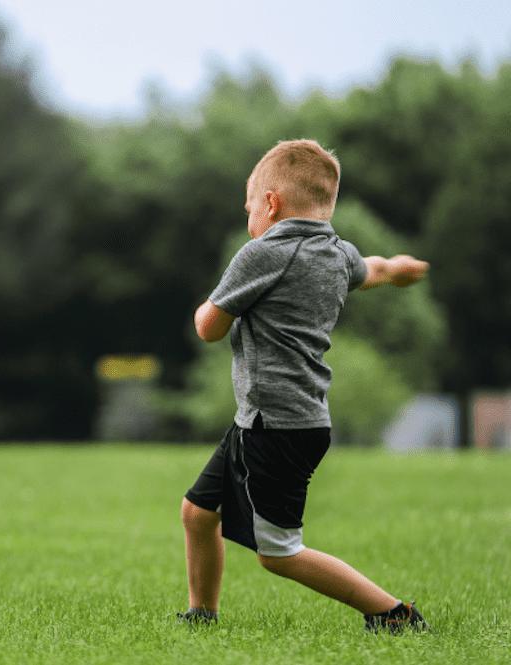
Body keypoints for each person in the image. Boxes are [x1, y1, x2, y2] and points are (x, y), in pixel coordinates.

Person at [178, 139, 431, 634]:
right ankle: (201, 614)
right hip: (275, 419)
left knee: (279, 553)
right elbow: (374, 270)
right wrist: (400, 269)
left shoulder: (263, 252)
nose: (249, 215)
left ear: (271, 203)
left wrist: (206, 306)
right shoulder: (337, 253)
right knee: (197, 512)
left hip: (275, 425)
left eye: (250, 206)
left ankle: (393, 613)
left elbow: (209, 327)